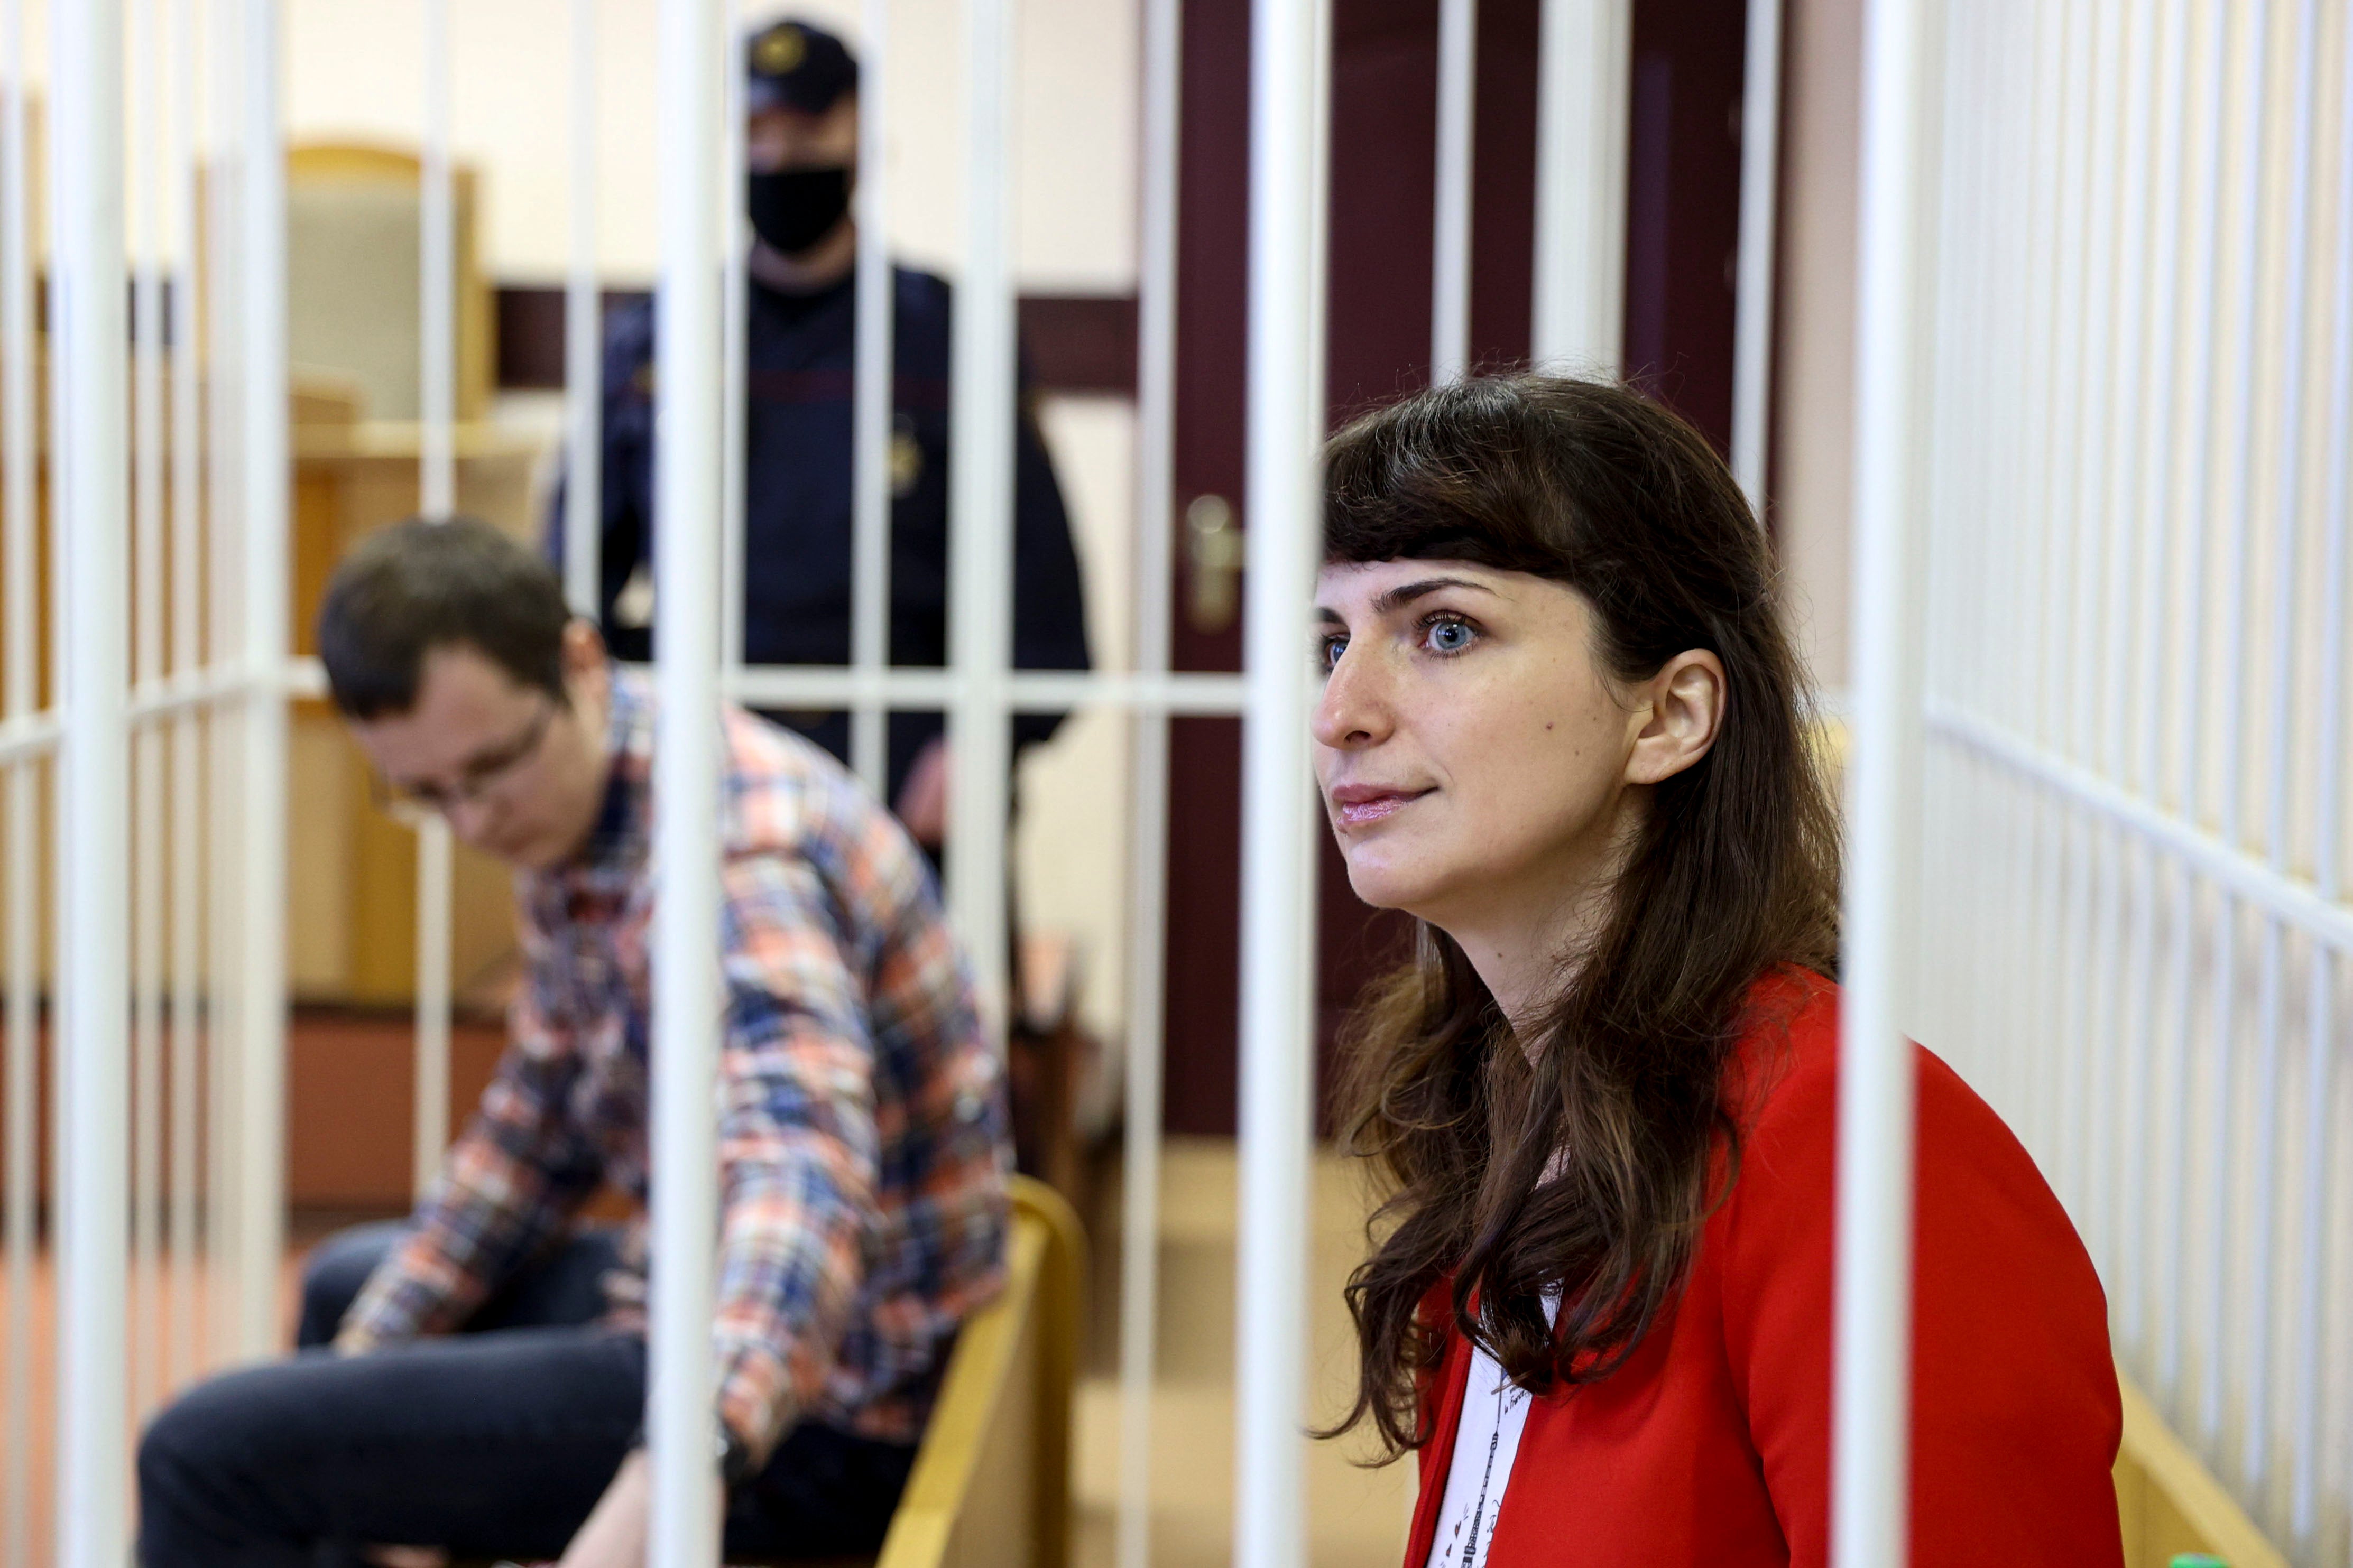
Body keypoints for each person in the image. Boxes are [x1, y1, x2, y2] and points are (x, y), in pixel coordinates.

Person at [1310, 376, 2123, 1567]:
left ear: (1671, 714)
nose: (1340, 709)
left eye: (1443, 630)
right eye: (1333, 639)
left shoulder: (1853, 1144)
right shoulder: (1504, 1092)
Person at [137, 517, 1012, 1567]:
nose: (470, 821)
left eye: (489, 766)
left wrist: (677, 1468)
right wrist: (362, 1378)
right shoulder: (592, 794)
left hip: (834, 1408)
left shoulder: (736, 858)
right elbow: (537, 1129)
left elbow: (800, 1173)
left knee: (205, 1452)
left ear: (580, 662)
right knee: (346, 1294)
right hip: (710, 1288)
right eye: (425, 793)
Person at [556, 16, 1091, 849]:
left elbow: (1041, 590)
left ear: (860, 136)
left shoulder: (947, 334)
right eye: (756, 130)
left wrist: (982, 744)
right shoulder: (661, 337)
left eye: (807, 129)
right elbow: (573, 577)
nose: (777, 157)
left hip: (906, 758)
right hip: (700, 749)